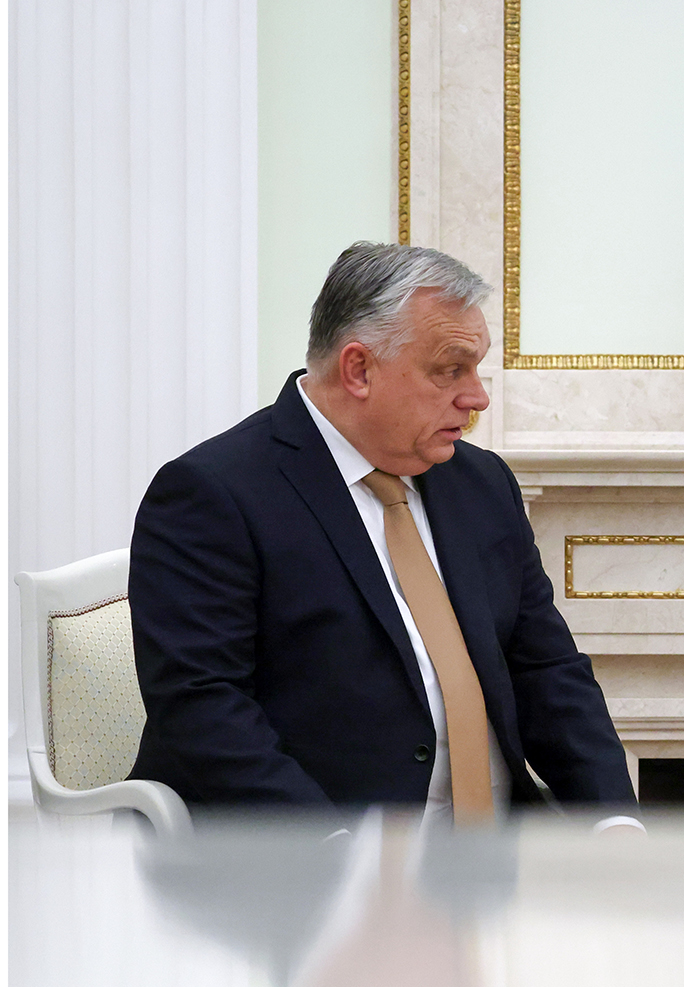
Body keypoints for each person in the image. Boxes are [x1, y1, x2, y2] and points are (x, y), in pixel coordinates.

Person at [127, 243, 640, 829]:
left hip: (497, 852)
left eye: (476, 368)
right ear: (359, 370)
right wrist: (340, 857)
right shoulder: (213, 494)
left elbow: (547, 670)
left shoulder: (481, 484)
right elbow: (202, 709)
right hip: (306, 855)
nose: (477, 396)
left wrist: (615, 825)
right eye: (450, 369)